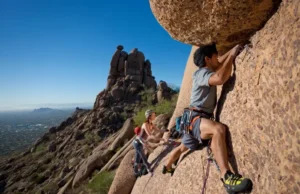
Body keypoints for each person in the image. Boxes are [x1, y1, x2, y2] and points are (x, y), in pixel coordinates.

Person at [162, 43, 251, 193]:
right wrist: (232, 56)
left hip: (190, 119)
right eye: (215, 56)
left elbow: (219, 61)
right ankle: (227, 177)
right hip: (195, 118)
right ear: (208, 59)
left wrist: (233, 49)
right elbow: (220, 78)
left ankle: (167, 165)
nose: (219, 59)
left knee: (183, 147)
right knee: (218, 130)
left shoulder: (205, 68)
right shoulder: (202, 72)